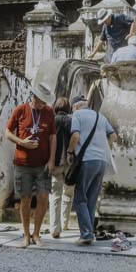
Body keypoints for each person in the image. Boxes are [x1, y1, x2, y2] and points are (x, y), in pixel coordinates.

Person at [4, 81, 56, 248]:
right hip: (23, 163)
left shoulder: (49, 112)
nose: (43, 105)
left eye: (45, 102)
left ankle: (37, 233)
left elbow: (52, 137)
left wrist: (52, 160)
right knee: (25, 198)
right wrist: (22, 142)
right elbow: (7, 132)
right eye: (41, 102)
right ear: (34, 97)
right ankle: (26, 235)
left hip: (43, 164)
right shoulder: (21, 110)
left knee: (43, 197)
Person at [66, 96, 117, 245]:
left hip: (87, 160)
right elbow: (113, 136)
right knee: (91, 199)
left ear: (75, 106)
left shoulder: (77, 115)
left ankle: (87, 234)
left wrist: (70, 151)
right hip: (102, 160)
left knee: (80, 198)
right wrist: (103, 147)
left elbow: (75, 135)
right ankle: (89, 232)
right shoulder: (100, 116)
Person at [48, 96, 74, 238]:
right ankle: (65, 223)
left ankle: (54, 228)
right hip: (70, 163)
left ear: (55, 107)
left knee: (55, 195)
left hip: (56, 162)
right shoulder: (72, 121)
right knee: (68, 193)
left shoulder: (51, 121)